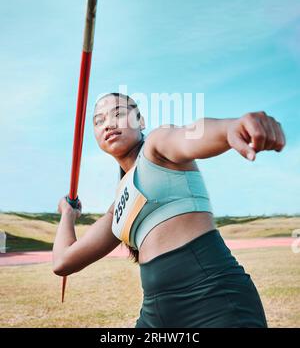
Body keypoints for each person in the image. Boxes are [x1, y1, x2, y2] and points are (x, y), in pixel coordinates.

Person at [53, 92, 286, 327]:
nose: (109, 124)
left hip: (212, 301)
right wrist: (67, 215)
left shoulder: (156, 146)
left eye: (119, 114)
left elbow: (190, 134)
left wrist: (230, 128)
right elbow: (63, 261)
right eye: (99, 120)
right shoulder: (119, 207)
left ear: (140, 122)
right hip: (156, 315)